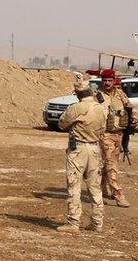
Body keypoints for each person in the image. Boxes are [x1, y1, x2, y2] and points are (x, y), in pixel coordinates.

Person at [56, 75, 107, 232]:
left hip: (78, 150)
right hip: (95, 148)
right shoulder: (101, 108)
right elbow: (106, 126)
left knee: (74, 184)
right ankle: (97, 222)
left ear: (78, 93)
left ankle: (73, 222)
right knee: (95, 187)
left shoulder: (75, 108)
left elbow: (61, 124)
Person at [97, 68, 135, 207]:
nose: (107, 83)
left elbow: (129, 107)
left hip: (119, 134)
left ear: (114, 80)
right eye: (104, 80)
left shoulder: (119, 93)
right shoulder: (98, 95)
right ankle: (118, 194)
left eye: (109, 80)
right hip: (105, 134)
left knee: (110, 163)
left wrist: (133, 120)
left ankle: (102, 188)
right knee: (111, 164)